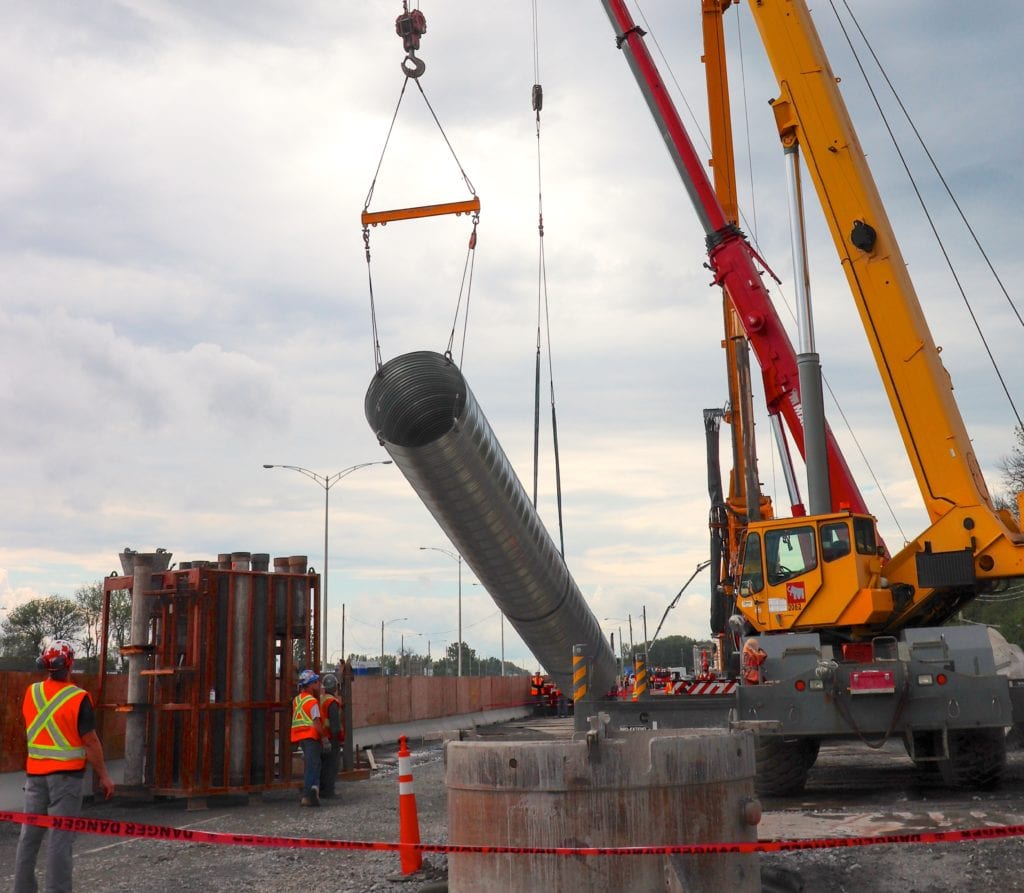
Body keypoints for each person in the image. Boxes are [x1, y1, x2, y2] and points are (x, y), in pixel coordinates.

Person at [15, 639, 115, 893]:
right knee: (60, 839)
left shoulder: (32, 692)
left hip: (35, 777)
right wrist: (104, 775)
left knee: (29, 837)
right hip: (66, 780)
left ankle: (22, 889)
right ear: (70, 664)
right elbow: (90, 741)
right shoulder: (78, 697)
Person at [291, 669, 324, 807]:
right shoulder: (312, 701)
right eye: (316, 681)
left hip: (300, 737)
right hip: (311, 736)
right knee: (312, 765)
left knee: (314, 764)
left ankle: (314, 790)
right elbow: (316, 722)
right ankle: (307, 795)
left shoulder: (297, 700)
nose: (318, 683)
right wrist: (324, 738)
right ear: (310, 684)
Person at [318, 673, 344, 799]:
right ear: (335, 687)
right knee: (332, 765)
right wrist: (337, 739)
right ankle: (328, 791)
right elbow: (335, 724)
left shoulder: (321, 699)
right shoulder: (332, 702)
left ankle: (322, 789)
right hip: (330, 738)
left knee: (323, 765)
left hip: (321, 737)